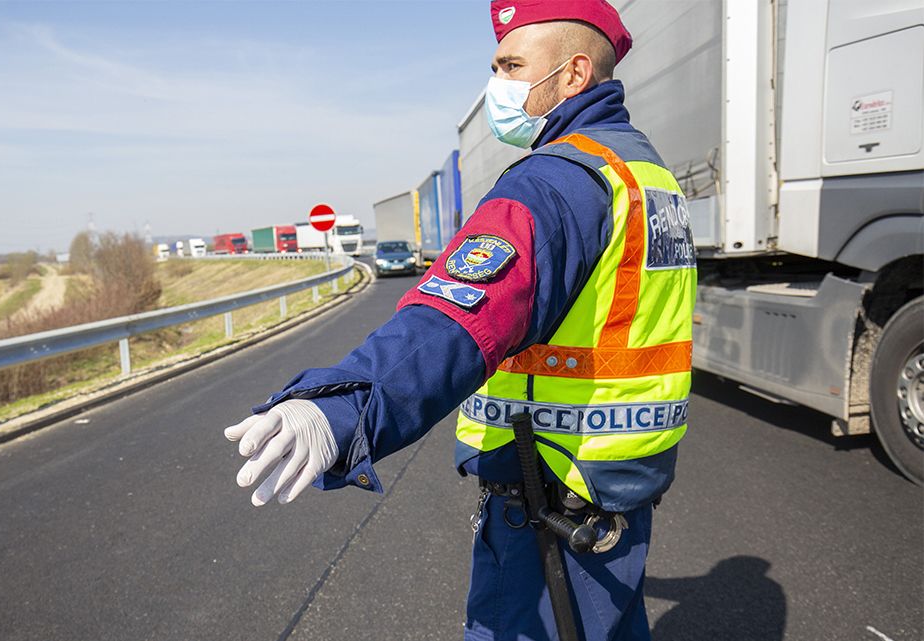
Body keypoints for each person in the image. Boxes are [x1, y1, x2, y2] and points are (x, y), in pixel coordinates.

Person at [224, 1, 697, 639]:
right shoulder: (645, 174)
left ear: (574, 73)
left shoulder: (554, 182)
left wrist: (340, 408)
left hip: (549, 497)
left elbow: (455, 316)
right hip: (620, 487)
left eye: (511, 64)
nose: (496, 84)